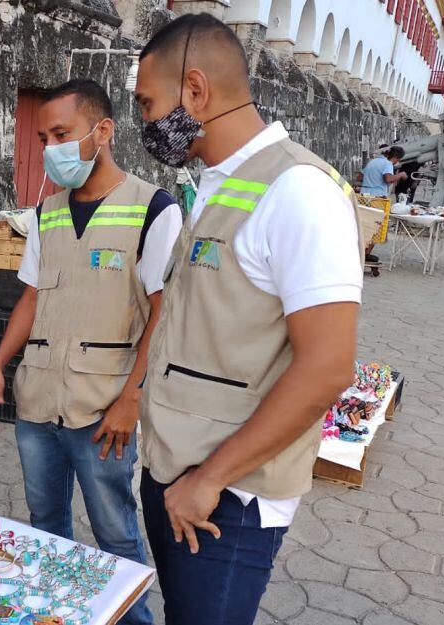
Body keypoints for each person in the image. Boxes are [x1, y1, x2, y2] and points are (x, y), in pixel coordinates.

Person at [133, 13, 363, 625]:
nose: (145, 122)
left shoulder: (299, 192)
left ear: (195, 91)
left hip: (228, 495)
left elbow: (327, 368)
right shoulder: (215, 182)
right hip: (177, 469)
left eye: (148, 104)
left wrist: (209, 479)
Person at [0, 78, 182, 625]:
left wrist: (132, 400)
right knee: (45, 525)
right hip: (39, 399)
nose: (52, 149)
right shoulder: (46, 212)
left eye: (62, 134)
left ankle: (133, 621)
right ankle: (57, 615)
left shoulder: (154, 209)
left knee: (115, 532)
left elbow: (164, 315)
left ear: (103, 131)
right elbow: (31, 296)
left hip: (103, 408)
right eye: (44, 138)